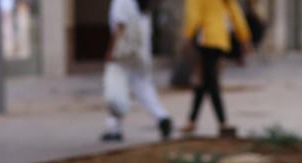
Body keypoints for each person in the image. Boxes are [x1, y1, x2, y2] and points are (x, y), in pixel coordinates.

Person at [102, 0, 172, 142]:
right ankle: (162, 116)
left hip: (125, 54)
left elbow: (120, 26)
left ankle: (114, 128)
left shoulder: (121, 2)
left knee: (117, 88)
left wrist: (111, 50)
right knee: (143, 86)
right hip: (141, 53)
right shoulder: (138, 3)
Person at [181, 0, 251, 137]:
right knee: (203, 81)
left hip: (205, 39)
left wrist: (187, 37)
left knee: (210, 82)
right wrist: (244, 37)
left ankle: (223, 123)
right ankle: (192, 121)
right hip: (221, 39)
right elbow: (236, 13)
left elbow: (193, 16)